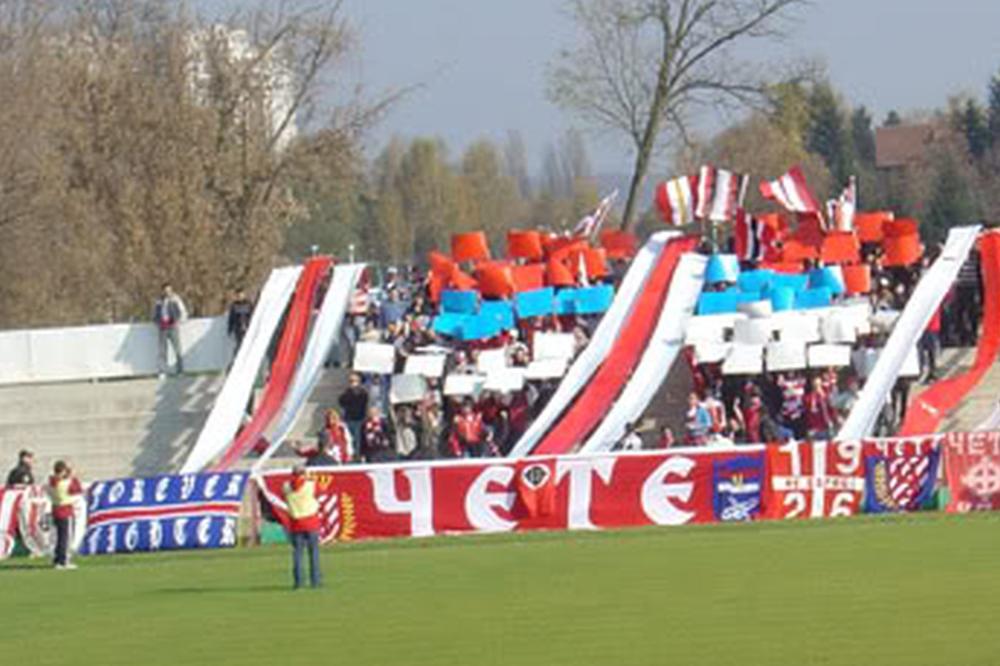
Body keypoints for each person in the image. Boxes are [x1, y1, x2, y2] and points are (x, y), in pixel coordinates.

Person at [282, 465, 322, 589]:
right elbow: (319, 491)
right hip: (311, 521)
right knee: (313, 553)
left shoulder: (286, 487)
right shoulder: (310, 485)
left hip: (296, 523)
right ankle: (315, 581)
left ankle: (298, 582)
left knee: (298, 554)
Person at [48, 461, 83, 570]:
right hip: (65, 511)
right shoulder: (65, 483)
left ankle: (57, 559)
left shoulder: (52, 481)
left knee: (59, 537)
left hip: (56, 510)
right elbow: (78, 489)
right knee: (66, 538)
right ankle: (64, 561)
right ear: (63, 471)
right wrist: (72, 477)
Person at [152, 282, 188, 377]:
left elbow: (183, 312)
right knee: (162, 351)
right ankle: (163, 371)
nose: (167, 292)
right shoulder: (159, 301)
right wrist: (157, 322)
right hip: (162, 327)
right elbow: (155, 314)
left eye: (169, 290)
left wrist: (178, 322)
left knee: (177, 349)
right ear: (162, 291)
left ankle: (180, 371)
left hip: (173, 327)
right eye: (165, 290)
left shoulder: (176, 299)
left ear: (172, 290)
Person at [338, 373, 369, 459]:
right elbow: (342, 402)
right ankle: (350, 455)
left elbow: (363, 402)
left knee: (357, 438)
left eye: (354, 381)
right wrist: (349, 392)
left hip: (359, 419)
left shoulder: (363, 393)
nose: (352, 383)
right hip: (349, 418)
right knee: (349, 438)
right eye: (351, 381)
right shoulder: (347, 392)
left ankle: (357, 455)